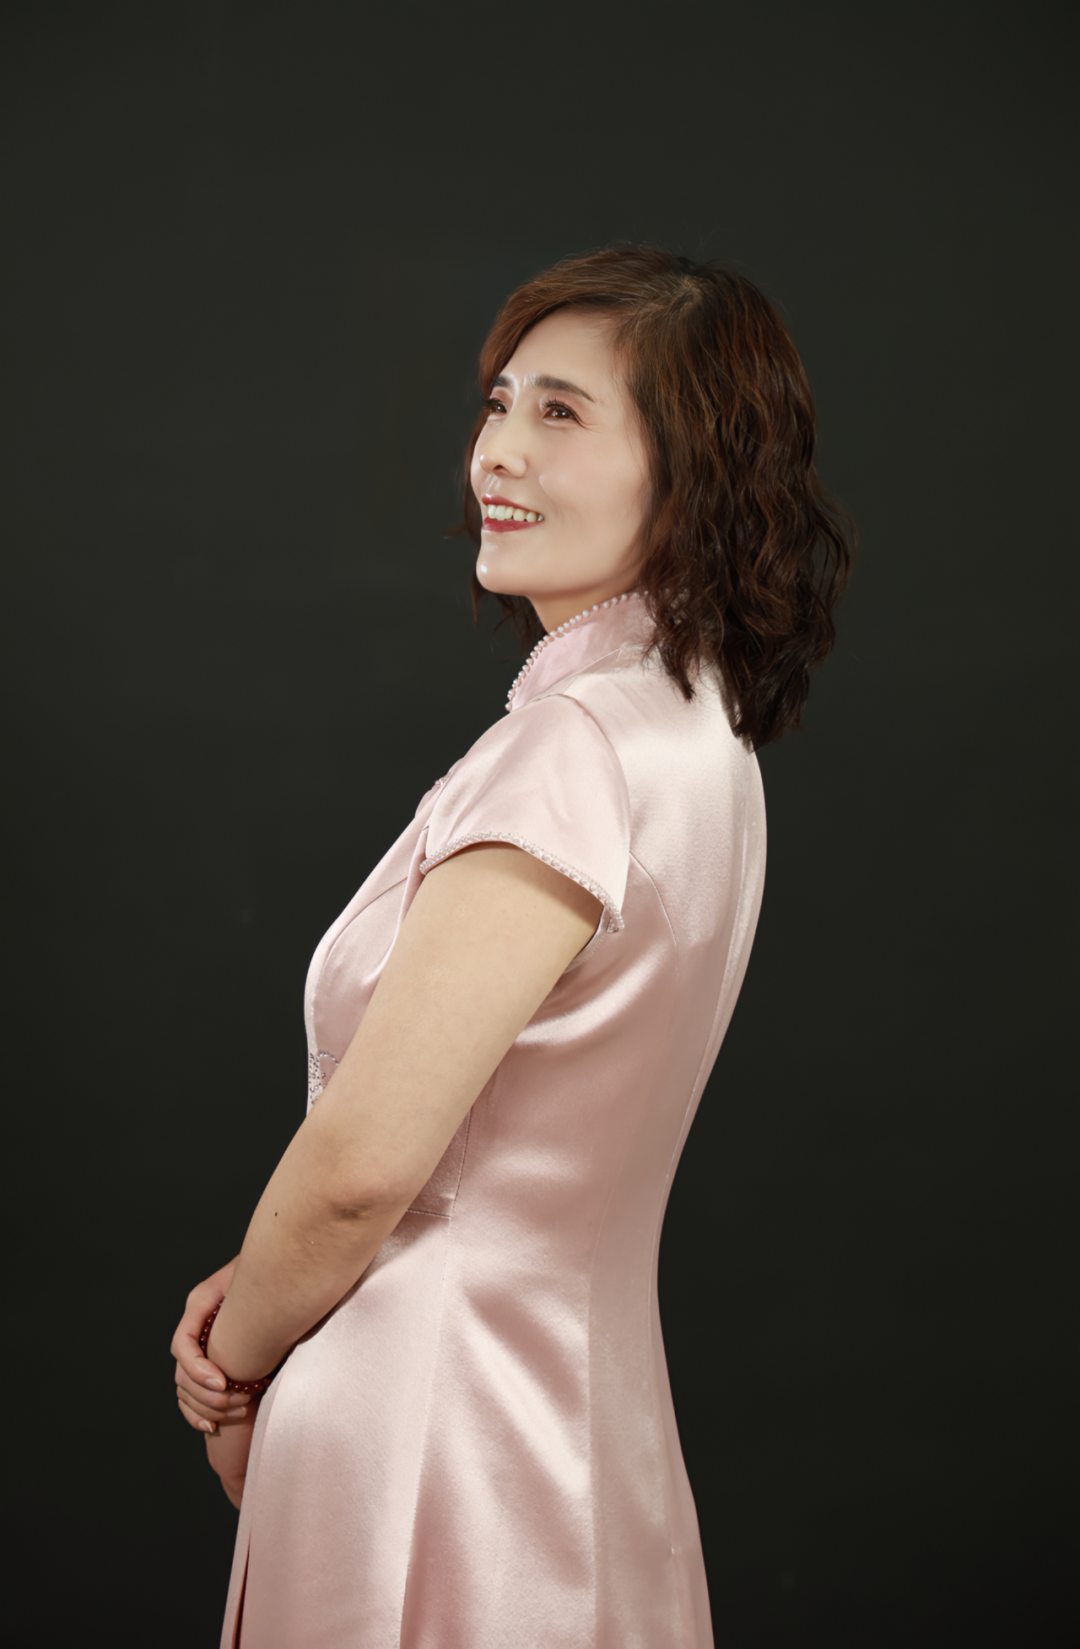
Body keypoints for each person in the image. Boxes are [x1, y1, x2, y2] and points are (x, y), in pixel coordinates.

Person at [170, 243, 853, 1648]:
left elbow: (363, 1172)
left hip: (434, 1431)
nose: (499, 452)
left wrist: (229, 1370)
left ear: (695, 472)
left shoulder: (568, 751)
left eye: (562, 413)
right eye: (499, 403)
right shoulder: (701, 737)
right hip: (589, 1426)